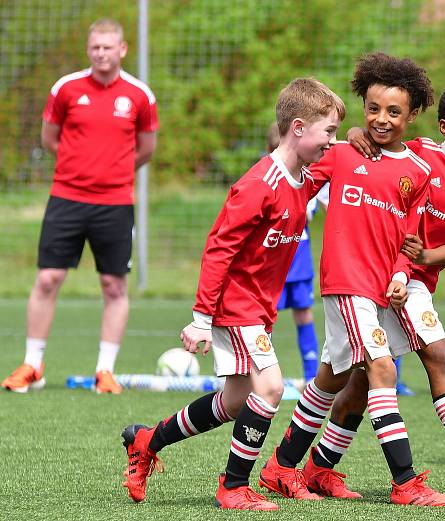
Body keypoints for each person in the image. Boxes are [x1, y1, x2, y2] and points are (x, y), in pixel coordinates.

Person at [121, 78, 345, 510]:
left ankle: (148, 441)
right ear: (297, 127)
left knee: (236, 400)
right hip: (235, 305)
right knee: (272, 387)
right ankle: (234, 486)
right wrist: (202, 317)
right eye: (328, 132)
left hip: (257, 308)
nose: (331, 142)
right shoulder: (259, 184)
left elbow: (334, 168)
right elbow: (218, 248)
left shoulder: (301, 179)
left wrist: (358, 141)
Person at [306, 83, 445, 503]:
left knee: (357, 382)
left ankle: (316, 468)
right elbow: (379, 142)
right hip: (382, 275)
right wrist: (356, 134)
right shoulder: (421, 153)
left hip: (414, 279)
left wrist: (428, 255)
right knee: (436, 360)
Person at [258, 52, 445, 507]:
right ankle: (406, 484)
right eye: (372, 109)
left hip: (381, 288)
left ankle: (280, 468)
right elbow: (291, 178)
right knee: (383, 370)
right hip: (347, 284)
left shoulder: (418, 171)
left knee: (331, 378)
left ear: (412, 115)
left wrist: (404, 274)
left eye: (393, 112)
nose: (380, 120)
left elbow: (411, 239)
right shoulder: (341, 154)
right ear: (362, 105)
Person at [2, 19, 158, 394]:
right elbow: (49, 138)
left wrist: (114, 171)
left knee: (113, 285)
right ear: (89, 50)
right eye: (95, 47)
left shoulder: (140, 95)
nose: (101, 53)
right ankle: (33, 364)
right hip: (66, 198)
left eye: (108, 47)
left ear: (122, 49)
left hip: (116, 203)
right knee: (47, 279)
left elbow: (147, 149)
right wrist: (79, 167)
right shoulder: (66, 88)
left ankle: (104, 372)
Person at [267, 123, 321, 388]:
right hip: (273, 265)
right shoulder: (268, 181)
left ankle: (312, 375)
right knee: (266, 318)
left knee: (304, 314)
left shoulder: (309, 182)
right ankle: (263, 375)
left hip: (300, 264)